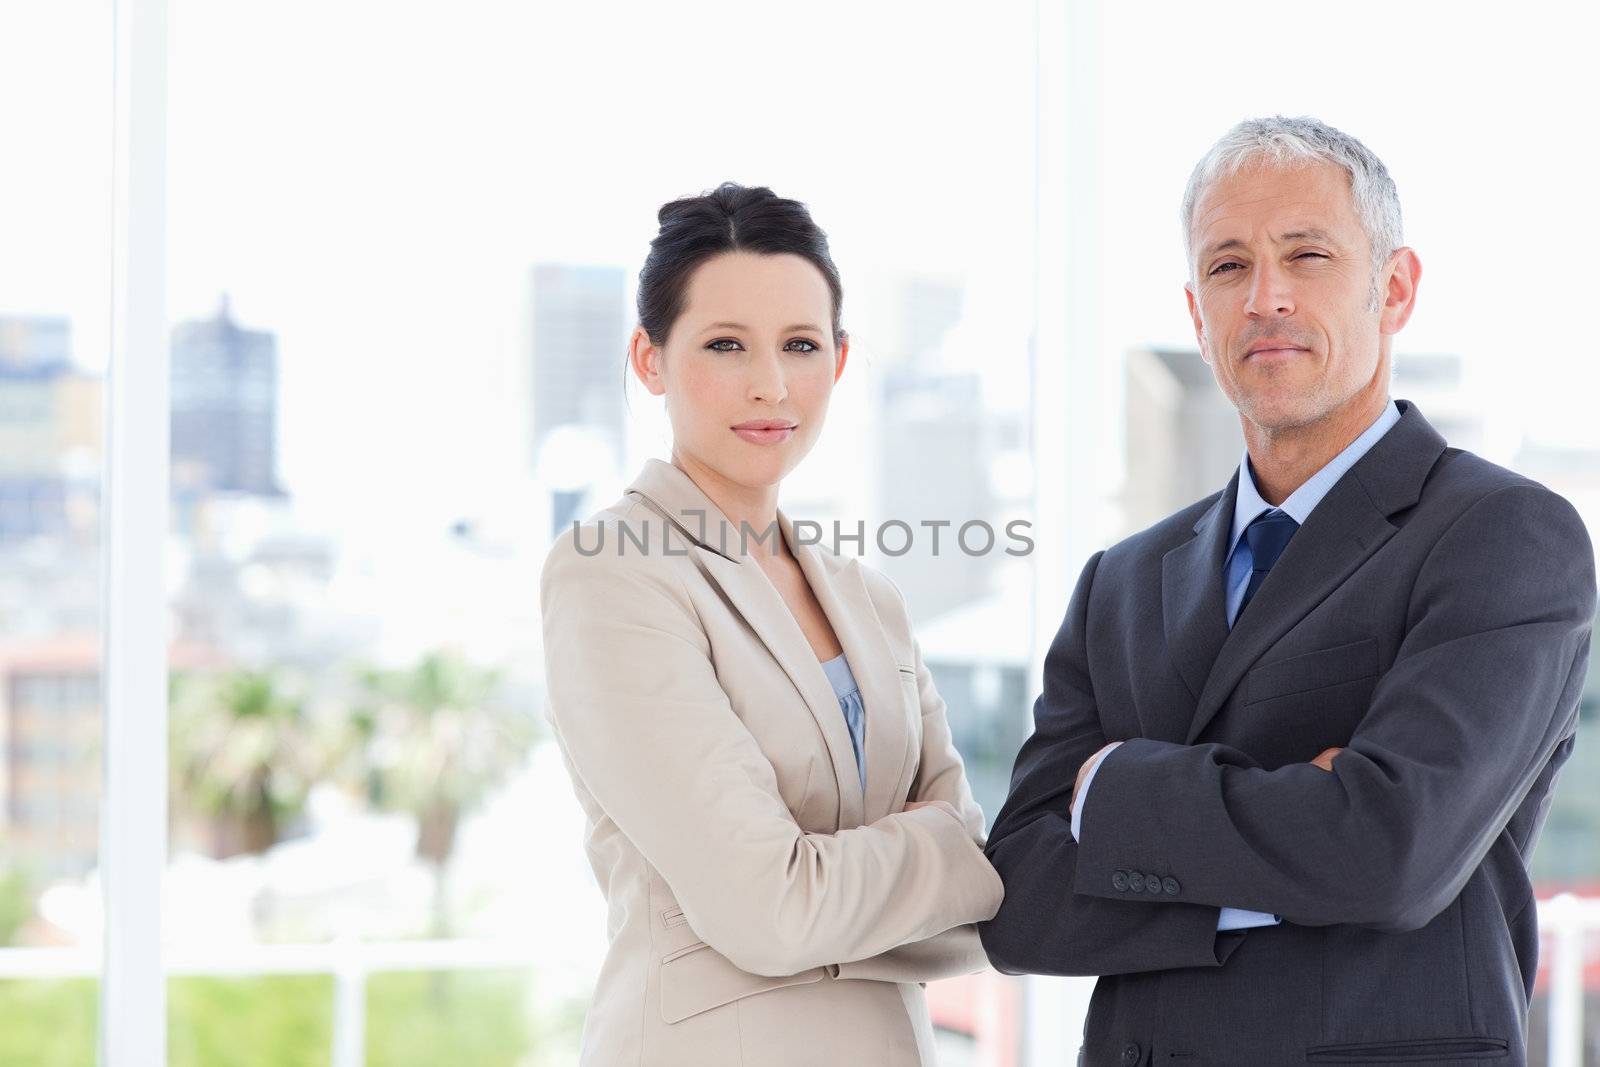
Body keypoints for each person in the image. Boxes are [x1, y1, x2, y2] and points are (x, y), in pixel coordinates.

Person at [980, 116, 1596, 1066]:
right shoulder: (1123, 581)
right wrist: (1302, 824)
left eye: (1306, 255)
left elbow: (1389, 852)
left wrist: (1117, 795)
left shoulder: (1501, 537)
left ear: (1392, 288)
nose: (1265, 296)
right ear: (1196, 314)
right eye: (1228, 267)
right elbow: (1020, 900)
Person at [540, 182, 1003, 1066]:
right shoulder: (613, 571)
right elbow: (766, 908)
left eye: (799, 345)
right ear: (650, 359)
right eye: (725, 344)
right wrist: (941, 851)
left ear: (837, 359)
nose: (770, 383)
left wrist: (845, 889)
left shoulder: (870, 597)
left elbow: (973, 918)